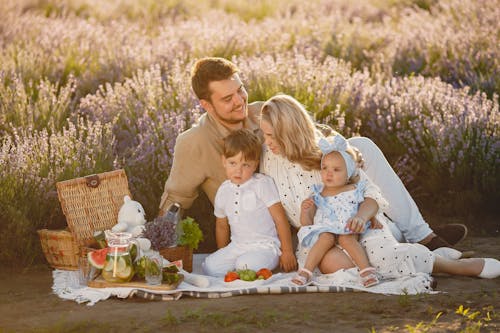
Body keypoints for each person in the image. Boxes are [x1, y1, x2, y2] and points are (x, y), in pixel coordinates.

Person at [158, 57, 466, 263]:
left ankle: (423, 236)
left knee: (362, 146)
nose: (240, 101)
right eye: (227, 98)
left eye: (240, 90)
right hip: (275, 216)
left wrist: (340, 148)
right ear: (205, 105)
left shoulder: (260, 111)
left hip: (307, 188)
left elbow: (311, 133)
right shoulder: (194, 142)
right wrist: (155, 244)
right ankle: (405, 243)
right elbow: (174, 202)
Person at [259, 94, 500, 281]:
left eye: (272, 136)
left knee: (374, 252)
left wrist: (364, 216)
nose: (267, 142)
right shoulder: (267, 159)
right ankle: (418, 254)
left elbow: (369, 192)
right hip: (322, 238)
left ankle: (452, 266)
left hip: (360, 227)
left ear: (290, 133)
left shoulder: (329, 157)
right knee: (330, 264)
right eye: (264, 135)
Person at [202, 129, 296, 276]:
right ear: (223, 161)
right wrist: (223, 253)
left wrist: (287, 251)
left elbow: (280, 219)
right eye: (233, 163)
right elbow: (221, 226)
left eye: (245, 165)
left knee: (244, 265)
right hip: (237, 246)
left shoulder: (262, 184)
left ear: (255, 165)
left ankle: (254, 264)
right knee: (210, 267)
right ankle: (241, 265)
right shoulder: (224, 190)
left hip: (265, 246)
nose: (238, 171)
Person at [293, 134, 380, 286]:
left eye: (336, 169)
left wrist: (371, 218)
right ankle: (306, 272)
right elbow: (306, 223)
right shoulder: (318, 193)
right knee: (326, 236)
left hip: (347, 228)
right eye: (324, 168)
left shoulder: (353, 189)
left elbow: (363, 207)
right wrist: (305, 211)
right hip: (325, 231)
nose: (328, 173)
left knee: (347, 238)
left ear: (349, 173)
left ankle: (366, 271)